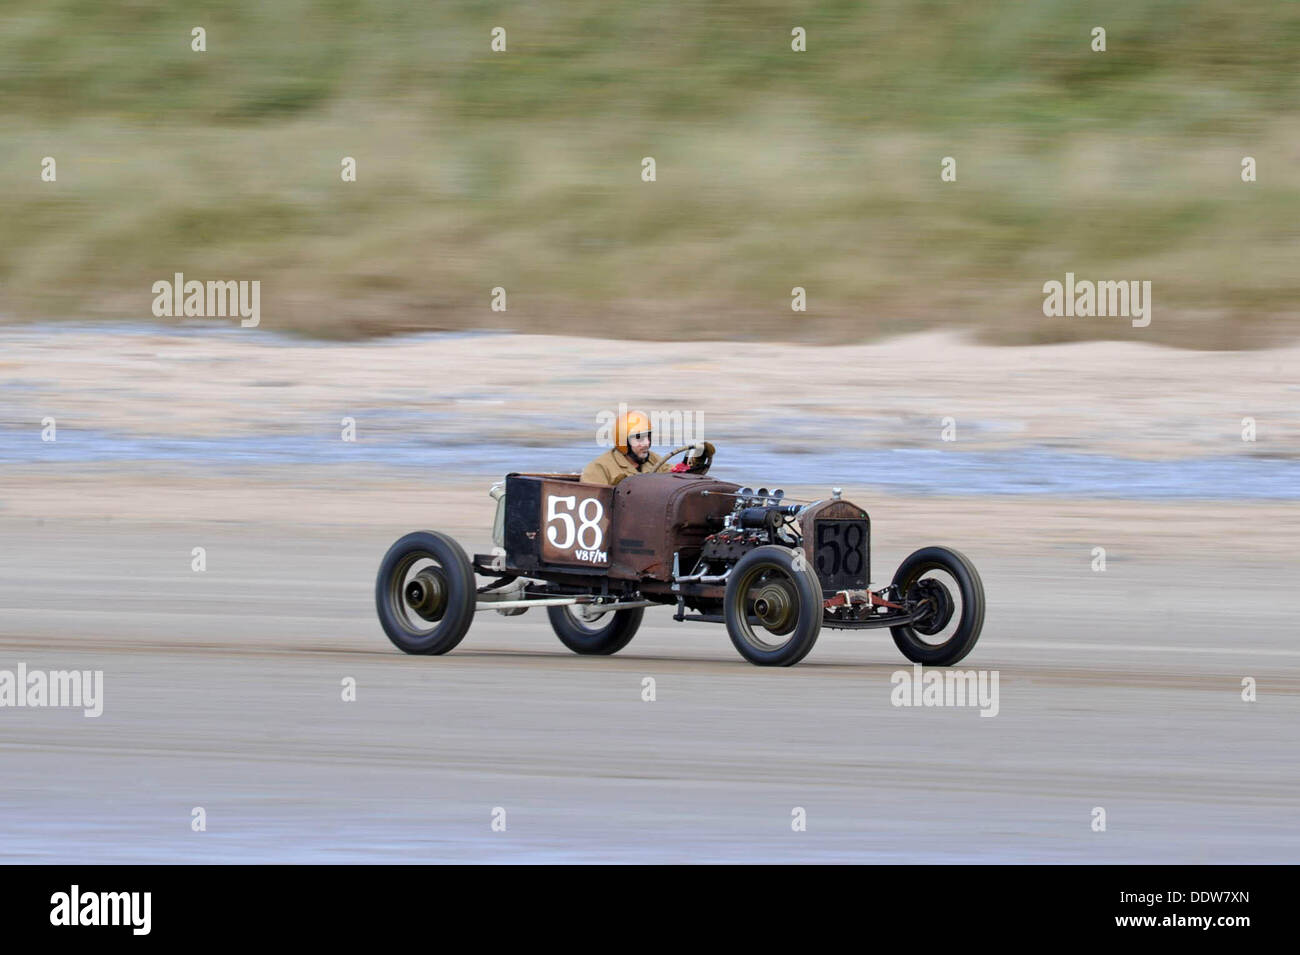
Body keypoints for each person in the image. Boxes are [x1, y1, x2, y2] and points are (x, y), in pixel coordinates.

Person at [582, 409, 664, 486]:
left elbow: (672, 473)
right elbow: (592, 498)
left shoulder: (654, 460)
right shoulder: (599, 468)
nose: (647, 443)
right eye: (639, 438)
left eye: (648, 437)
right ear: (624, 442)